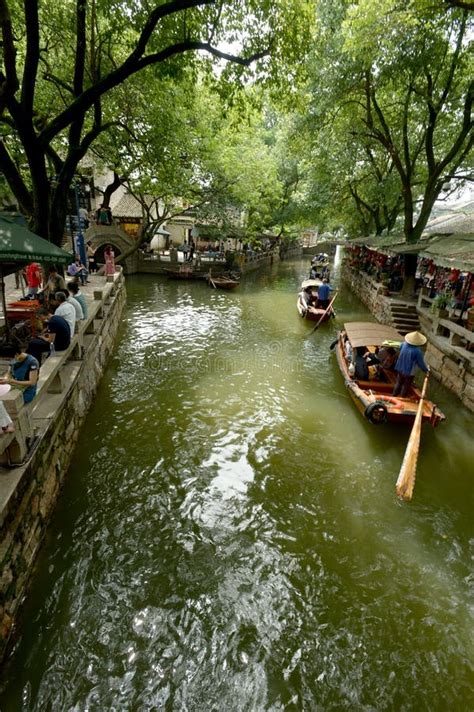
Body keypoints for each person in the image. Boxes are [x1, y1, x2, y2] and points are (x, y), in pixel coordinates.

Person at [393, 331, 429, 397]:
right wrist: (426, 370)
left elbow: (399, 348)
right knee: (406, 385)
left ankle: (394, 395)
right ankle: (402, 397)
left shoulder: (403, 344)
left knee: (398, 382)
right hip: (409, 372)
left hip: (400, 367)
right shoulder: (417, 351)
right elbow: (420, 363)